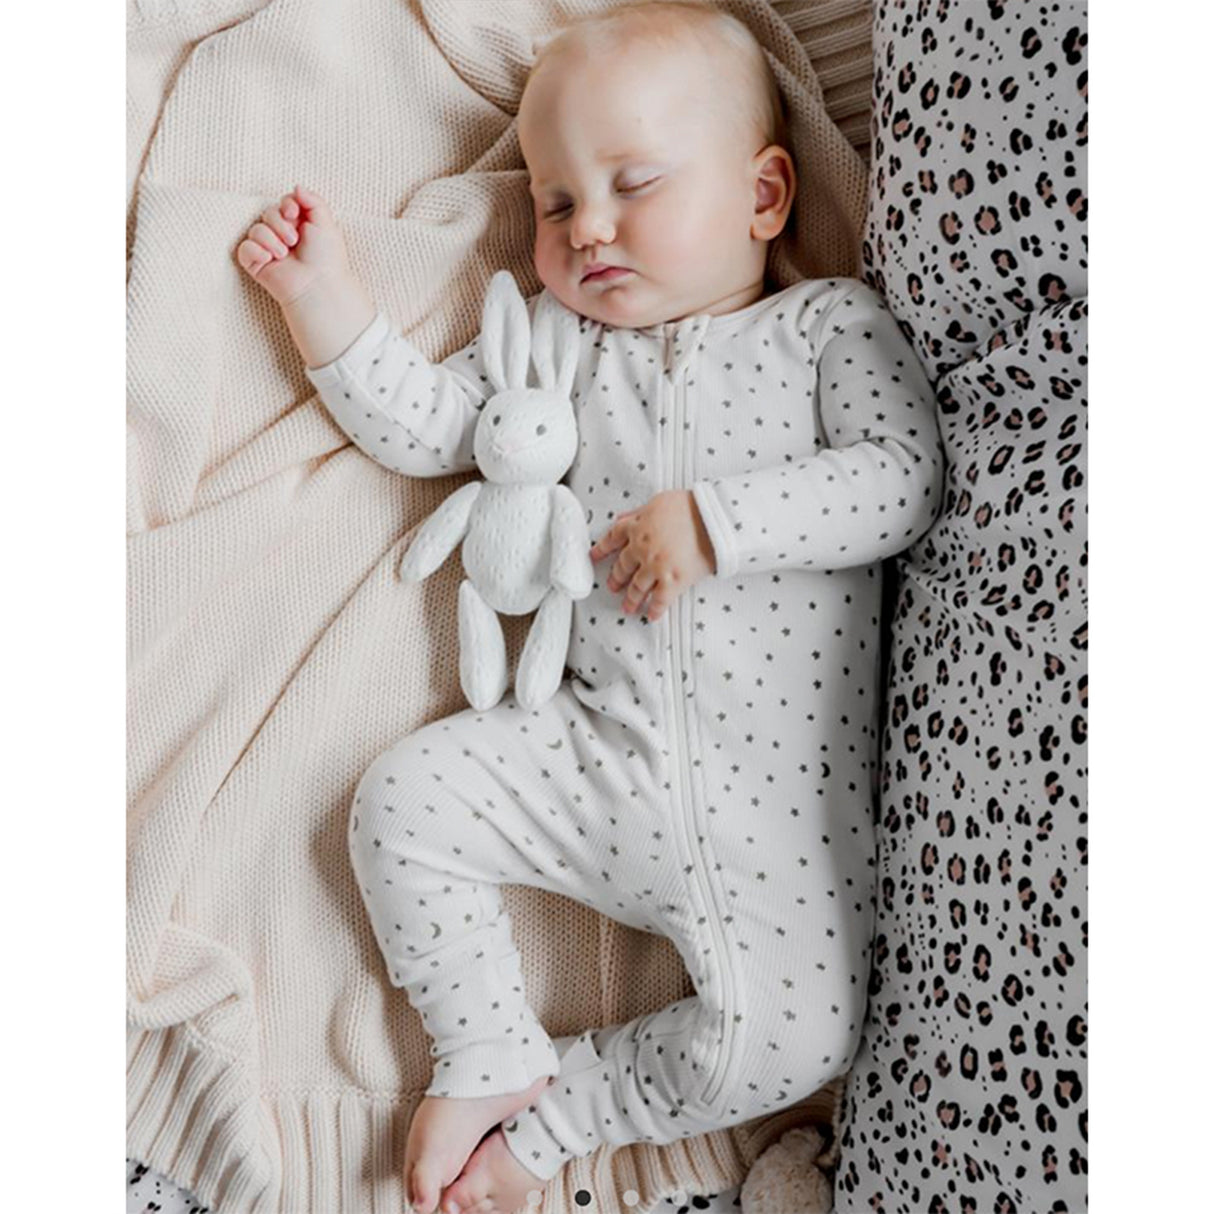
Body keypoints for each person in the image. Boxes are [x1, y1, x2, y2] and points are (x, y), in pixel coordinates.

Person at [235, 3, 943, 1212]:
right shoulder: (556, 348)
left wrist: (716, 523)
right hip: (591, 759)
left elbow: (900, 479)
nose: (588, 227)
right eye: (557, 204)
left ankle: (553, 1123)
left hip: (778, 821)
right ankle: (488, 1043)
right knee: (400, 802)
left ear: (765, 194)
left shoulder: (826, 329)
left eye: (633, 185)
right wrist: (328, 307)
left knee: (791, 1042)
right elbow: (436, 427)